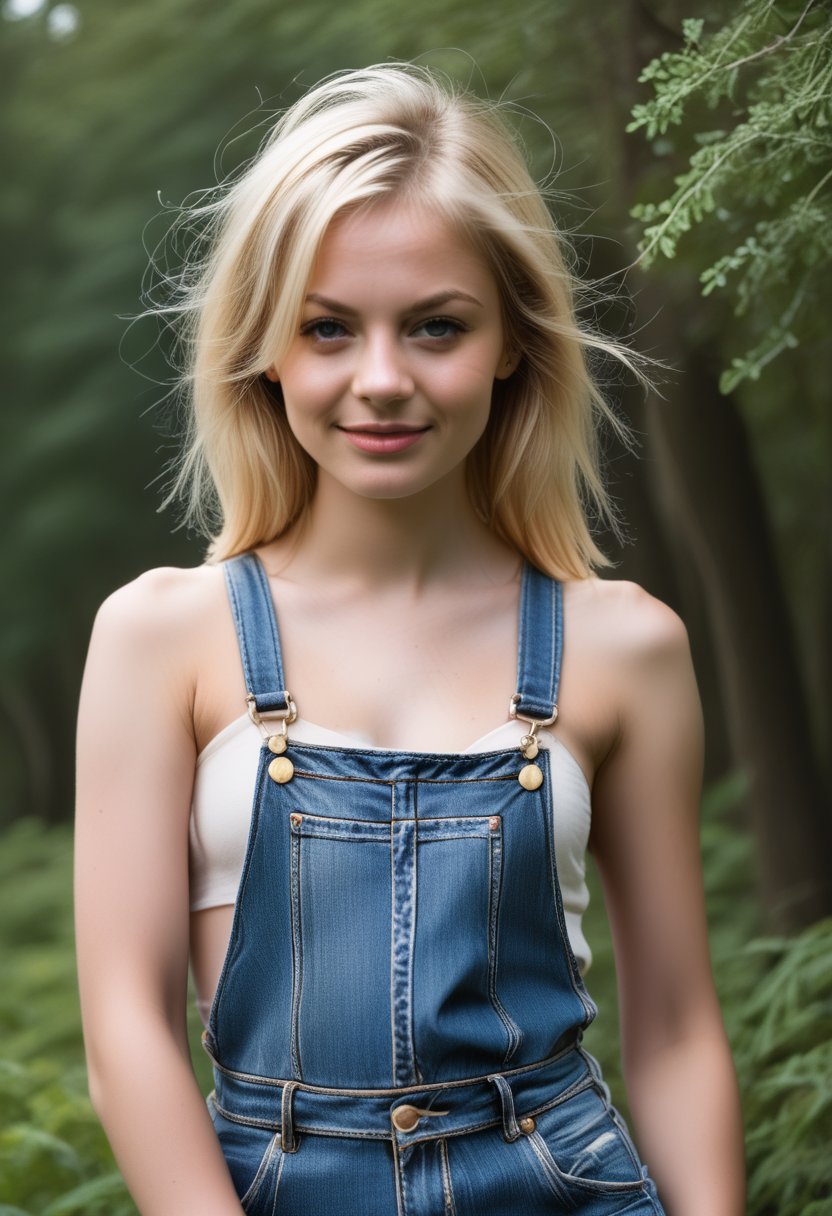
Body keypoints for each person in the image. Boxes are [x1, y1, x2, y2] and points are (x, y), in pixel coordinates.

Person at [74, 63, 745, 1216]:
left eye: (435, 326)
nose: (380, 380)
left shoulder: (626, 645)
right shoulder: (161, 637)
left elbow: (676, 1027)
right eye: (328, 329)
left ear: (510, 343)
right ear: (265, 349)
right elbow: (126, 1034)